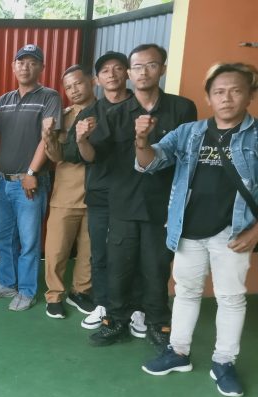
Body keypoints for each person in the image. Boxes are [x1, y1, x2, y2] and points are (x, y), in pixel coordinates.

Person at [138, 63, 258, 397]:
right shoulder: (190, 132)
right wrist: (141, 140)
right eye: (219, 92)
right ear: (208, 97)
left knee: (230, 298)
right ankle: (178, 353)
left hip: (233, 233)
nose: (226, 98)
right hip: (187, 229)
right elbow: (150, 162)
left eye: (235, 91)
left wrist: (256, 231)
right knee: (186, 293)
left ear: (250, 95)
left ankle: (224, 363)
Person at [88, 44, 197, 348]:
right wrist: (82, 138)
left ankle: (158, 323)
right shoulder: (116, 113)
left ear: (162, 69)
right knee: (119, 267)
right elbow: (94, 154)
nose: (143, 72)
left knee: (156, 267)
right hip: (123, 202)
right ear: (129, 73)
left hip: (162, 204)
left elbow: (187, 155)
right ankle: (116, 321)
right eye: (137, 66)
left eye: (151, 65)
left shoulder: (182, 108)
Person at [0, 44, 61, 311]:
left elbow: (47, 139)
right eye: (21, 62)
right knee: (3, 237)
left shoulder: (49, 97)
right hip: (5, 182)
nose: (26, 67)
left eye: (32, 62)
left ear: (41, 67)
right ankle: (7, 282)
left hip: (30, 184)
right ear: (13, 66)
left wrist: (31, 173)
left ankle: (27, 290)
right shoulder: (5, 99)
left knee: (29, 241)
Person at [79, 51, 145, 332]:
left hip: (135, 194)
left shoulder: (142, 108)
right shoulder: (89, 114)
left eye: (118, 68)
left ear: (127, 73)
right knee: (100, 252)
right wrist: (82, 138)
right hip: (101, 194)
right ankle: (103, 304)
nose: (112, 74)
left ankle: (136, 309)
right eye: (105, 70)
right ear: (97, 79)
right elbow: (85, 157)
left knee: (135, 253)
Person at [40, 65, 95, 319]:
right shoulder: (63, 117)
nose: (74, 90)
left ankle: (80, 292)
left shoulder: (105, 113)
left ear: (92, 82)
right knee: (56, 250)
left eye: (78, 83)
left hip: (96, 195)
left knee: (89, 252)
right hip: (65, 194)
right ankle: (54, 295)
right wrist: (48, 136)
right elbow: (56, 157)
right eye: (68, 87)